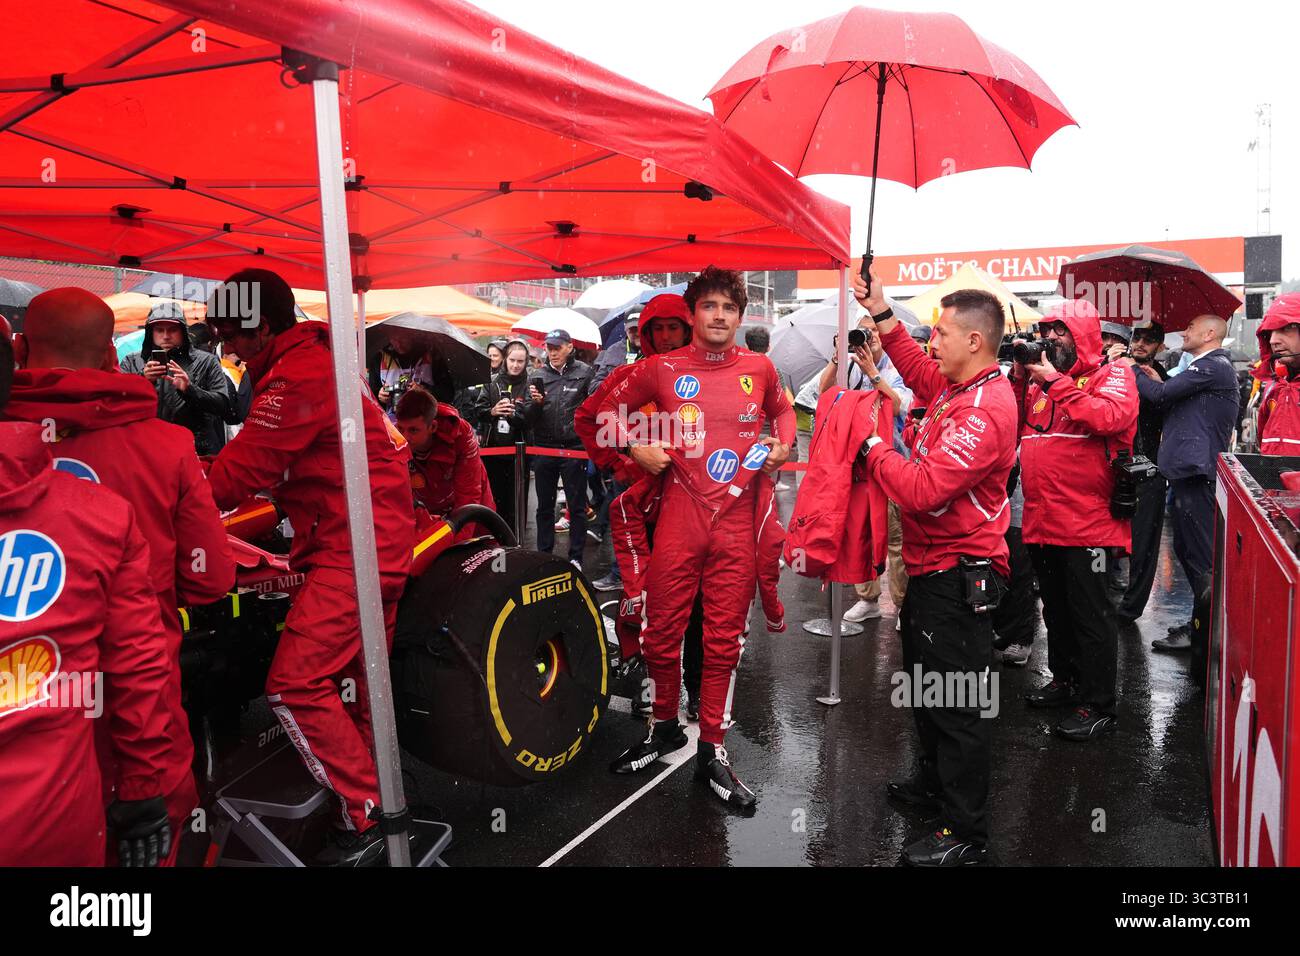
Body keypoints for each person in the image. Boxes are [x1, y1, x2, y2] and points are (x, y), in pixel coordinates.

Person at [6, 288, 236, 864]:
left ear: (21, 348)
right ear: (114, 356)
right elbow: (211, 579)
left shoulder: (15, 437)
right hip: (142, 697)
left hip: (29, 705)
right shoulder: (167, 445)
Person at [204, 269, 415, 866]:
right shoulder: (318, 358)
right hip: (369, 543)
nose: (225, 350)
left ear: (261, 329)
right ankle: (380, 805)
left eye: (229, 336)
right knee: (355, 690)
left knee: (294, 684)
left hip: (357, 550)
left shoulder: (299, 374)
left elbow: (239, 475)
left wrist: (169, 493)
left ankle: (367, 812)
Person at [596, 267, 793, 811]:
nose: (719, 316)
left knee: (722, 643)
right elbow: (600, 418)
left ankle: (713, 748)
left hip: (736, 521)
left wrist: (780, 445)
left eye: (729, 308)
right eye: (709, 307)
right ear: (693, 314)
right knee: (661, 631)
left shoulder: (761, 367)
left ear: (741, 315)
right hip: (681, 516)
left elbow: (782, 415)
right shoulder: (660, 368)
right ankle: (663, 729)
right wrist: (635, 447)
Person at [851, 269, 1016, 867]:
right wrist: (884, 313)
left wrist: (872, 450)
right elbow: (919, 373)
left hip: (958, 575)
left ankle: (966, 831)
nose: (932, 344)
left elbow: (921, 490)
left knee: (957, 703)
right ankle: (932, 787)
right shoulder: (953, 388)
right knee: (927, 692)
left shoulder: (985, 408)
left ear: (975, 341)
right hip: (930, 571)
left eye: (941, 333)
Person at [0, 323, 174, 867]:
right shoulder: (107, 505)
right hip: (53, 824)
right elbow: (141, 661)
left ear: (27, 354)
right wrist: (145, 787)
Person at [575, 294, 706, 718]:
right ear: (646, 334)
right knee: (647, 599)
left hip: (700, 510)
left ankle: (698, 688)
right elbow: (588, 419)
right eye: (658, 329)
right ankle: (649, 687)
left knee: (701, 603)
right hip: (644, 510)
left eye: (675, 328)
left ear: (688, 329)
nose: (667, 337)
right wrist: (626, 460)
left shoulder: (710, 376)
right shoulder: (630, 376)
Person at [1013, 300, 1138, 742]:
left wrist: (1056, 382)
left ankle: (1099, 704)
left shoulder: (1114, 374)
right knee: (1057, 612)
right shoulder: (1037, 380)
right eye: (1045, 331)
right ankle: (1066, 680)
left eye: (1060, 331)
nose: (1050, 339)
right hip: (1043, 520)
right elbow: (1015, 426)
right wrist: (1019, 376)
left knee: (1092, 616)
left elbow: (1110, 417)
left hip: (1091, 525)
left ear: (1083, 335)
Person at [1117, 314, 1238, 650]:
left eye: (1190, 327)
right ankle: (1201, 628)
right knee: (1188, 552)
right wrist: (1157, 380)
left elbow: (1160, 396)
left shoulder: (1213, 365)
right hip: (1185, 473)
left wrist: (1132, 370)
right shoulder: (1202, 369)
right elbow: (1169, 397)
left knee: (1201, 559)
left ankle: (1207, 638)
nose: (1184, 331)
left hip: (1195, 474)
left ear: (1210, 333)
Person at [812, 326, 912, 623]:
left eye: (872, 335)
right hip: (859, 469)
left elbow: (896, 406)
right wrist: (837, 357)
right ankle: (867, 599)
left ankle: (903, 604)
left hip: (892, 464)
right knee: (861, 535)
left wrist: (872, 372)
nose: (866, 341)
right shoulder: (848, 366)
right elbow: (823, 391)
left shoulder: (895, 369)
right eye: (860, 336)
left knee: (895, 541)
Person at [119, 300, 238, 456]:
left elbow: (224, 405)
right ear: (150, 332)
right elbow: (116, 402)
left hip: (193, 451)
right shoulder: (132, 361)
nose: (166, 336)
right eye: (159, 330)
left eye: (173, 330)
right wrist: (142, 380)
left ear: (183, 331)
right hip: (144, 449)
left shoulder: (207, 361)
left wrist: (190, 390)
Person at [524, 328, 594, 569]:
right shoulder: (537, 374)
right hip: (544, 447)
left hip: (574, 448)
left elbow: (593, 408)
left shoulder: (585, 372)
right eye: (549, 348)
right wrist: (535, 404)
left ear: (569, 347)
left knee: (576, 507)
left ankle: (576, 558)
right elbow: (528, 418)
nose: (552, 352)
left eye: (557, 347)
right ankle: (544, 554)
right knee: (545, 505)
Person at [1115, 323, 1169, 624]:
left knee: (1144, 541)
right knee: (1104, 533)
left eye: (1149, 341)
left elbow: (1167, 405)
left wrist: (1158, 382)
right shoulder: (1114, 366)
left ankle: (1130, 608)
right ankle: (1104, 589)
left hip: (1150, 465)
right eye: (1137, 338)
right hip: (1115, 463)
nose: (1140, 344)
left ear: (1158, 346)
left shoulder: (1165, 378)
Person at [394, 387, 495, 539]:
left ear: (433, 427)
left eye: (413, 430)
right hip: (428, 510)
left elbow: (469, 496)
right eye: (400, 429)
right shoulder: (394, 439)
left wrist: (456, 547)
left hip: (472, 508)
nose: (405, 437)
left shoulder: (460, 434)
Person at [476, 339, 532, 533]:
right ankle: (493, 539)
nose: (515, 365)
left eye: (520, 361)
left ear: (526, 362)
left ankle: (516, 542)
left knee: (517, 503)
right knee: (493, 500)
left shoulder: (530, 383)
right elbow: (478, 410)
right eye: (512, 360)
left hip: (519, 453)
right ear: (505, 360)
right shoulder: (491, 382)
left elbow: (532, 417)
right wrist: (492, 411)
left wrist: (514, 415)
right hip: (493, 450)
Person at [369, 326, 454, 416]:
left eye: (403, 339)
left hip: (426, 422)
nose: (398, 345)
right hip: (391, 423)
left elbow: (448, 394)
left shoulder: (431, 355)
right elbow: (370, 397)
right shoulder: (380, 358)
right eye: (394, 339)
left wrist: (426, 391)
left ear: (413, 335)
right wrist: (380, 396)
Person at [1254, 294, 1300, 455]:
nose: (1273, 340)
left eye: (1285, 328)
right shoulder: (1274, 386)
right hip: (1272, 479)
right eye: (1269, 332)